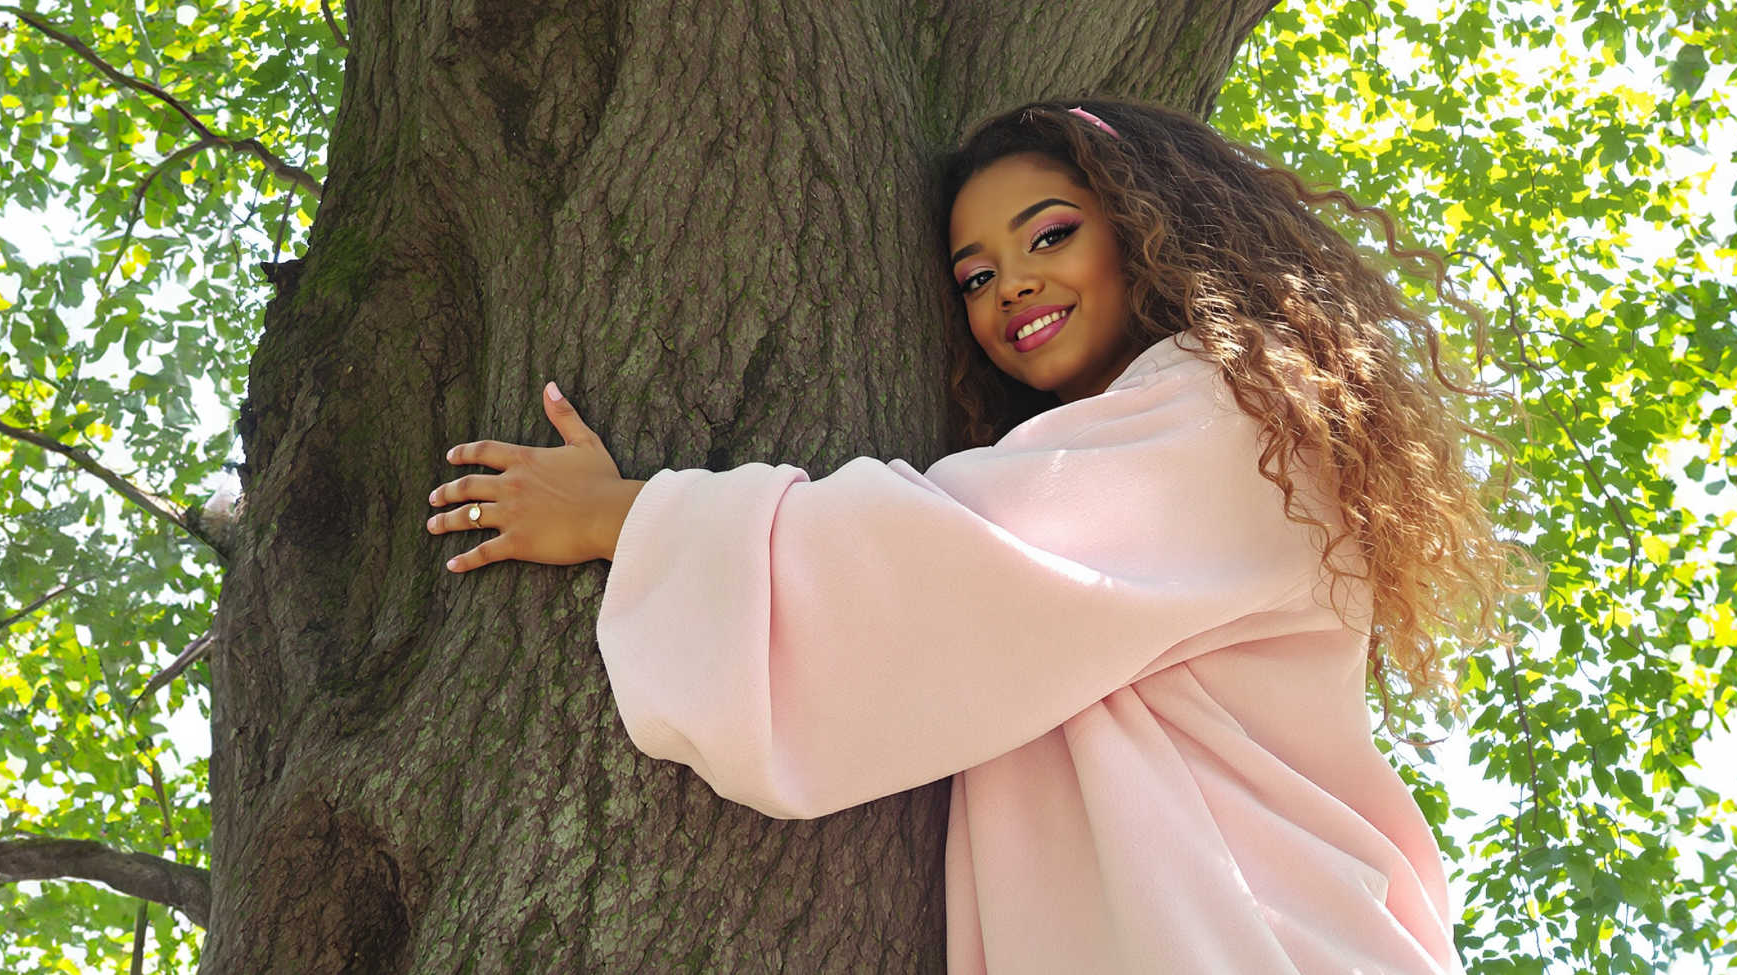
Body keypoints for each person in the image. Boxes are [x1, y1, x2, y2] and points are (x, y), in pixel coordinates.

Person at [423, 98, 1532, 974]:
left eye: (1051, 234)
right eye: (975, 277)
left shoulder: (1234, 413)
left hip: (1262, 931)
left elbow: (950, 564)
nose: (1015, 286)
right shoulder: (1137, 437)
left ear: (1153, 231)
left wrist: (626, 516)